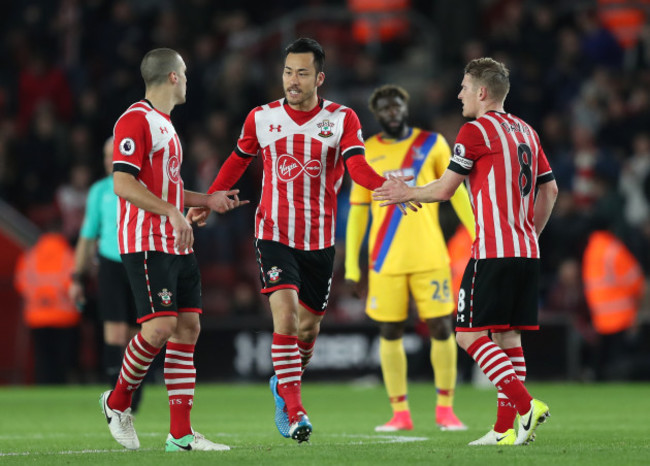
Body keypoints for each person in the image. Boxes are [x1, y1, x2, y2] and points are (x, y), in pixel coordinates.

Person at [187, 38, 403, 444]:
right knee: (284, 319)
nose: (293, 80)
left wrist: (384, 187)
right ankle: (294, 408)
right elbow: (238, 158)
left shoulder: (342, 119)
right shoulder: (262, 118)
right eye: (288, 71)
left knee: (307, 334)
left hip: (319, 241)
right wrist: (209, 199)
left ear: (319, 78)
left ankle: (282, 385)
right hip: (273, 233)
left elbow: (356, 166)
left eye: (302, 73)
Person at [373, 57, 558, 446]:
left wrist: (407, 192)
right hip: (526, 251)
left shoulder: (474, 132)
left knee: (468, 336)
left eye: (463, 87)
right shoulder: (527, 130)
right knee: (508, 340)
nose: (459, 94)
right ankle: (506, 430)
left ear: (482, 92)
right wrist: (530, 234)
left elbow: (444, 189)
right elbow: (550, 190)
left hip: (492, 251)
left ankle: (526, 407)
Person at [100, 47, 246, 452]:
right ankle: (116, 403)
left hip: (174, 238)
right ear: (172, 77)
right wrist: (173, 213)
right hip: (145, 240)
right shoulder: (135, 119)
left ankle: (180, 434)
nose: (188, 78)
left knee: (188, 328)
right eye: (184, 71)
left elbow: (165, 186)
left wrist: (204, 202)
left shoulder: (165, 124)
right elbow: (123, 183)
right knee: (159, 327)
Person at [344, 84, 475, 432]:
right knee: (389, 331)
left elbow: (456, 192)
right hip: (385, 258)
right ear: (377, 113)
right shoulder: (365, 151)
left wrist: (479, 236)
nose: (392, 112)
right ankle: (399, 413)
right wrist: (352, 267)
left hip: (429, 252)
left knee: (442, 327)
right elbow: (358, 212)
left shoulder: (431, 144)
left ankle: (446, 409)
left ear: (405, 107)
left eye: (397, 105)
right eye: (385, 108)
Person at [69, 137, 146, 413]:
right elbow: (87, 238)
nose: (108, 160)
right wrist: (77, 278)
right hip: (111, 266)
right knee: (114, 334)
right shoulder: (99, 191)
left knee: (140, 336)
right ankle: (117, 401)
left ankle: (133, 395)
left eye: (112, 155)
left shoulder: (142, 187)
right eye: (105, 155)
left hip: (139, 262)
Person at [14, 230, 81, 384]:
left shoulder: (30, 255)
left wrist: (42, 298)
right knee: (62, 359)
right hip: (65, 317)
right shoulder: (68, 255)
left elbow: (21, 282)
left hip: (36, 316)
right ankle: (61, 386)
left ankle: (43, 384)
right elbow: (72, 284)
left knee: (42, 358)